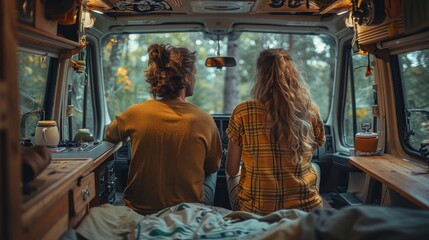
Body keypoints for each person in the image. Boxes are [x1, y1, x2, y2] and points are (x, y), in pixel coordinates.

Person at [105, 44, 222, 215]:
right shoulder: (204, 120)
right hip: (186, 212)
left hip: (139, 210)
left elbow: (110, 134)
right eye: (195, 74)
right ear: (187, 77)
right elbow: (212, 165)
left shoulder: (134, 113)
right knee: (212, 174)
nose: (195, 79)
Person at [225, 48, 325, 215]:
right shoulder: (311, 111)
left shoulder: (242, 111)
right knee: (314, 167)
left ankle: (241, 216)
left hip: (257, 211)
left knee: (233, 176)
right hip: (306, 210)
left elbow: (232, 169)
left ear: (259, 76)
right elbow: (307, 154)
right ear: (294, 74)